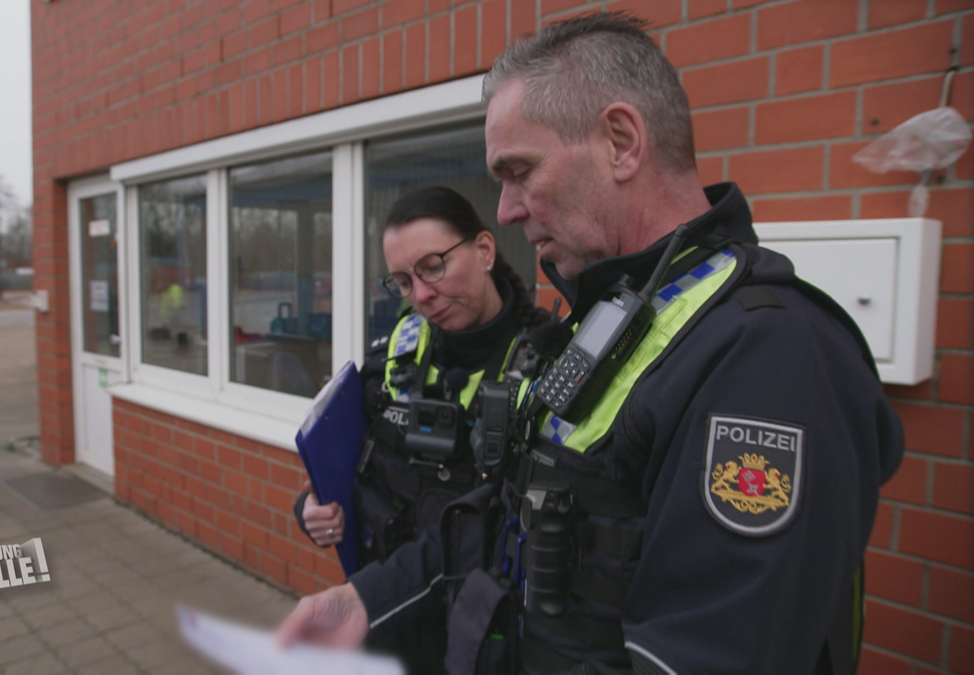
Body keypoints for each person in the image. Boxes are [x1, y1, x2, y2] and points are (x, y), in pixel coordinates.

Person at [277, 12, 904, 675]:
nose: (508, 209)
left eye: (519, 171)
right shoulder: (613, 321)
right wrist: (365, 601)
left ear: (621, 141)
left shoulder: (768, 356)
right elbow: (508, 522)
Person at [291, 186, 550, 674]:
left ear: (485, 250)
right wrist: (312, 509)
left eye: (433, 266)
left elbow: (494, 533)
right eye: (403, 282)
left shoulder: (546, 377)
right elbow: (332, 474)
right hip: (384, 634)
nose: (421, 295)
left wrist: (368, 600)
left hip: (483, 644)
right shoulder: (387, 361)